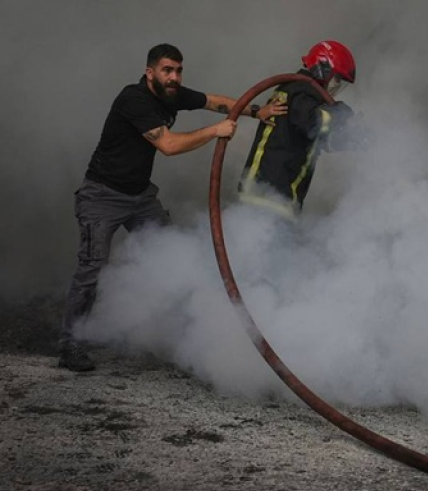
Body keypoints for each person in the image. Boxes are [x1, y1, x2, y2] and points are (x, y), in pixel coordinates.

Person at [58, 44, 287, 372]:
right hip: (102, 196)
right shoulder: (133, 99)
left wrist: (256, 112)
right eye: (167, 70)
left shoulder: (171, 94)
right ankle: (70, 344)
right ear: (149, 72)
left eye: (178, 70)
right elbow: (168, 145)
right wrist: (216, 131)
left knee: (173, 254)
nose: (174, 77)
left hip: (140, 197)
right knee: (91, 268)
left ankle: (181, 337)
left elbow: (214, 101)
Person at [238, 40, 358, 220]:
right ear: (323, 69)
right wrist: (339, 112)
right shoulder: (301, 91)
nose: (337, 85)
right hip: (270, 195)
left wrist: (352, 141)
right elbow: (313, 123)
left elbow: (315, 139)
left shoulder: (303, 94)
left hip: (271, 194)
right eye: (337, 78)